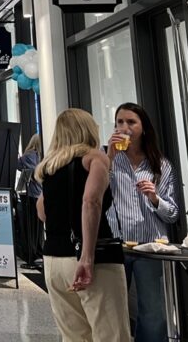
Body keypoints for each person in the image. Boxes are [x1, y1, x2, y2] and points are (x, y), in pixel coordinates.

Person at [36, 108, 130, 342]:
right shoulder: (94, 158)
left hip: (54, 261)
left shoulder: (49, 166)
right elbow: (91, 201)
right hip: (93, 259)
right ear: (88, 129)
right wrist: (87, 257)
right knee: (110, 334)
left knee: (74, 336)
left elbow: (42, 212)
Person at [106, 103, 179, 342]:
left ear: (143, 127)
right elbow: (95, 196)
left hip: (151, 246)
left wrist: (155, 198)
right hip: (116, 245)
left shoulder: (161, 165)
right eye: (119, 122)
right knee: (112, 310)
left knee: (153, 313)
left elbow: (173, 214)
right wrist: (108, 157)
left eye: (131, 122)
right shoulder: (109, 161)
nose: (124, 127)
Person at [18, 133, 43, 265]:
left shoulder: (28, 156)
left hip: (31, 194)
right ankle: (37, 251)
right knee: (38, 226)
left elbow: (18, 166)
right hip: (37, 194)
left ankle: (32, 252)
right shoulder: (37, 156)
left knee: (32, 226)